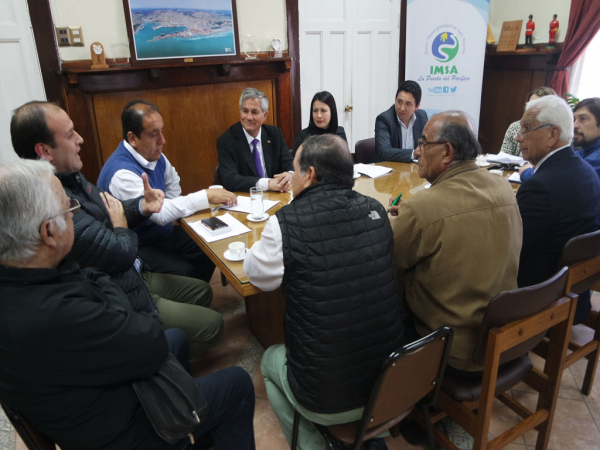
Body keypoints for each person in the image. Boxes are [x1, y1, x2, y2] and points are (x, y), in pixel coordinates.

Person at [0, 159, 256, 450]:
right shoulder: (60, 311)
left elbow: (97, 278)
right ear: (48, 232)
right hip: (120, 429)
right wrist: (106, 286)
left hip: (92, 395)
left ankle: (187, 427)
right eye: (70, 208)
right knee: (237, 384)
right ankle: (180, 429)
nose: (76, 214)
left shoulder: (26, 278)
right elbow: (146, 336)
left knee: (177, 337)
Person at [11, 101, 224, 358]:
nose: (80, 140)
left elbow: (119, 209)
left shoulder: (73, 178)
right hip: (121, 285)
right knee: (213, 325)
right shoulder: (55, 203)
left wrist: (142, 207)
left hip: (129, 272)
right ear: (44, 150)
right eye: (70, 134)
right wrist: (122, 224)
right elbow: (119, 250)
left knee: (202, 287)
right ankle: (162, 356)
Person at [245, 134, 403, 450]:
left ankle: (314, 445)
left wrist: (290, 216)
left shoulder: (285, 223)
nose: (291, 181)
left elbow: (256, 275)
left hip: (327, 396)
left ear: (311, 174)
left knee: (269, 360)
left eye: (294, 172)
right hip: (391, 386)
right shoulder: (377, 211)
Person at [389, 111, 522, 373]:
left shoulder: (423, 207)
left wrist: (405, 218)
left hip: (451, 350)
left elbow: (390, 258)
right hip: (503, 337)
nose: (417, 153)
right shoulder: (504, 188)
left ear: (447, 152)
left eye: (424, 143)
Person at [97, 100, 237, 282]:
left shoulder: (154, 154)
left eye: (162, 131)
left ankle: (197, 299)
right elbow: (160, 214)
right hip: (138, 244)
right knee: (184, 272)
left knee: (210, 249)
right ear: (132, 138)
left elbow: (173, 181)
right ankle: (189, 298)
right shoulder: (121, 174)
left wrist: (172, 206)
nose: (162, 141)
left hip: (163, 234)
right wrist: (206, 196)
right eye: (154, 134)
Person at [516, 95, 600, 325]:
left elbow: (511, 250)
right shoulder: (588, 171)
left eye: (526, 129)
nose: (518, 136)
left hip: (541, 303)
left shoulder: (540, 187)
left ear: (552, 134)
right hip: (576, 295)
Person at [217, 87, 294, 192]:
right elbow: (230, 179)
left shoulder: (274, 134)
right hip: (247, 199)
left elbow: (289, 163)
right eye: (245, 111)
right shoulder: (226, 141)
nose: (248, 117)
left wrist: (290, 174)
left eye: (254, 112)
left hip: (276, 196)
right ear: (240, 111)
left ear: (265, 114)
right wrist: (267, 183)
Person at [374, 80, 428, 163]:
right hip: (389, 169)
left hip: (413, 169)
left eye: (408, 104)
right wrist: (413, 153)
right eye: (399, 102)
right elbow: (384, 152)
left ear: (417, 106)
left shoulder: (422, 117)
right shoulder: (384, 119)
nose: (402, 108)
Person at [500, 86, 556, 156]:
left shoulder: (553, 132)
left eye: (535, 106)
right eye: (529, 105)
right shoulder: (515, 127)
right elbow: (503, 158)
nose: (530, 110)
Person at [292, 91, 347, 155]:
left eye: (323, 110)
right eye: (315, 111)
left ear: (332, 112)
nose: (319, 116)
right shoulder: (303, 136)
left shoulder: (339, 132)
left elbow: (345, 161)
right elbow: (296, 163)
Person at [573, 98, 600, 178]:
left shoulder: (597, 158)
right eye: (574, 120)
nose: (574, 125)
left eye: (583, 119)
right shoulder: (586, 150)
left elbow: (563, 179)